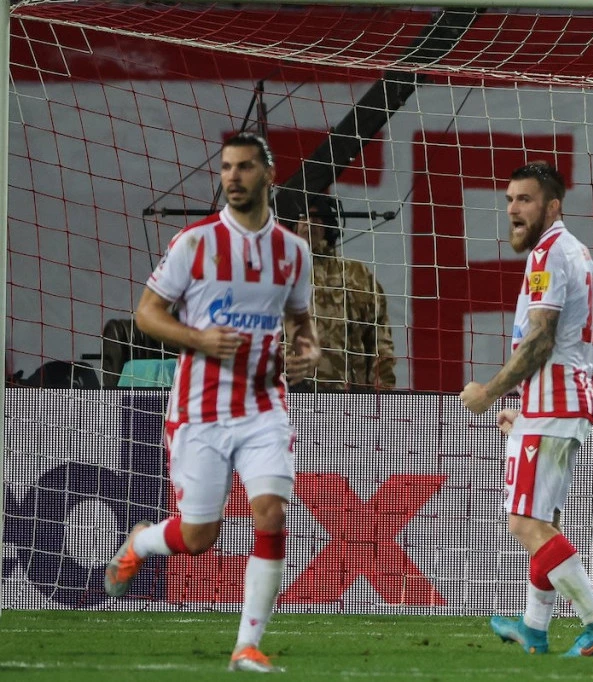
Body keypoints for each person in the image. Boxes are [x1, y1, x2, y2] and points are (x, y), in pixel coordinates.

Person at [103, 132, 320, 672]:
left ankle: (246, 645)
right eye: (226, 168)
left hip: (264, 405)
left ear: (268, 174)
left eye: (244, 167)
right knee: (199, 536)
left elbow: (301, 323)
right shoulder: (194, 243)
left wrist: (308, 352)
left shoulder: (293, 251)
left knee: (271, 513)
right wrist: (198, 338)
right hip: (199, 410)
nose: (232, 177)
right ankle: (142, 543)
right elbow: (146, 314)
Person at [460, 162, 593, 657]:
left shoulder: (550, 252)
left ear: (552, 206)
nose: (513, 208)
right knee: (542, 519)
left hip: (554, 399)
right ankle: (534, 627)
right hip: (554, 399)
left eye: (525, 199)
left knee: (524, 523)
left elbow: (540, 340)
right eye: (510, 199)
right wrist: (524, 408)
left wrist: (490, 394)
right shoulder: (571, 249)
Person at [283, 194, 396, 391]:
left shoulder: (357, 275)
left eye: (317, 218)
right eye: (303, 217)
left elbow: (379, 339)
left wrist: (383, 391)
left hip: (348, 393)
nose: (309, 223)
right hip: (289, 391)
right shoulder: (278, 272)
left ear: (329, 226)